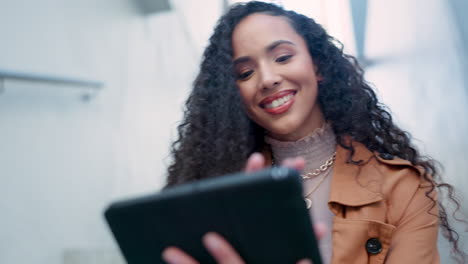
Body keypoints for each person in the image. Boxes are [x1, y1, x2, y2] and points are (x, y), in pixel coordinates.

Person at [161, 1, 463, 263]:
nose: (267, 79)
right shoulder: (216, 189)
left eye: (282, 57)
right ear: (232, 95)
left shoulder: (403, 188)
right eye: (245, 73)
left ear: (317, 66)